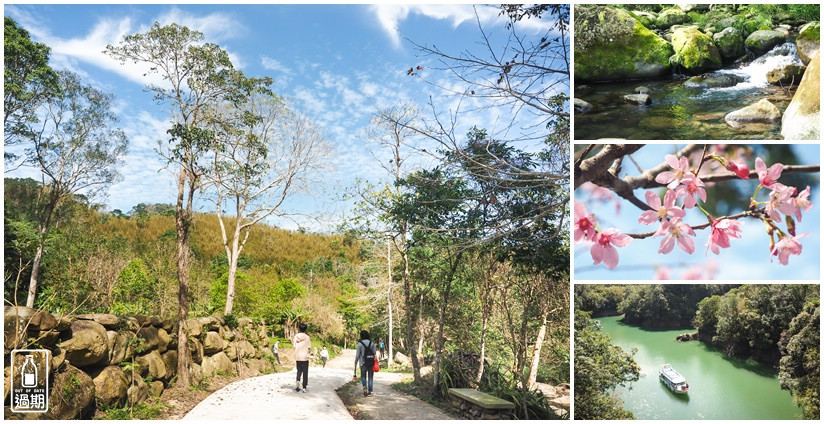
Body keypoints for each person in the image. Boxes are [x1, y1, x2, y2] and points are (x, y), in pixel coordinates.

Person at [354, 330, 377, 397]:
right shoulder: (372, 343)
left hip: (362, 363)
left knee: (363, 376)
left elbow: (357, 354)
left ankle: (364, 387)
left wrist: (355, 361)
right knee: (370, 377)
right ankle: (370, 391)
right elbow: (374, 353)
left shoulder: (360, 344)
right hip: (371, 362)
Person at [293, 323, 311, 393]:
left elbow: (294, 346)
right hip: (305, 357)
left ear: (299, 329)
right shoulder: (307, 337)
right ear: (305, 329)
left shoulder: (296, 337)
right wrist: (308, 354)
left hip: (298, 357)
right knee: (305, 372)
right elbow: (309, 348)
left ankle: (298, 381)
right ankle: (304, 387)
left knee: (299, 370)